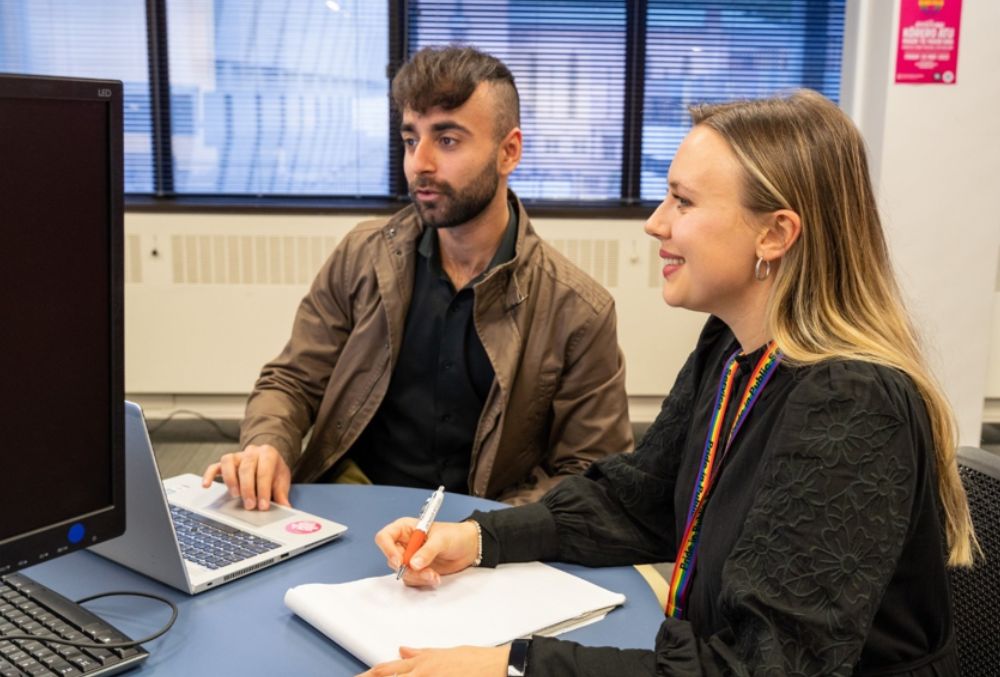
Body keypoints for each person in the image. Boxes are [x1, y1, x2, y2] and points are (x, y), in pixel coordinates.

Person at [365, 90, 978, 676]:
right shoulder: (730, 347)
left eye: (683, 202)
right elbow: (640, 500)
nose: (655, 224)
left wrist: (513, 665)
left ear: (775, 234)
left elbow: (765, 669)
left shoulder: (851, 405)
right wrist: (477, 538)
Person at [201, 45, 632, 511]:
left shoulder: (577, 309)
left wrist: (485, 535)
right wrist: (267, 445)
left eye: (447, 140)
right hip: (359, 499)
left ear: (508, 152)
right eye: (411, 139)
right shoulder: (363, 256)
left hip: (487, 525)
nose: (419, 163)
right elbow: (292, 380)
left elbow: (590, 473)